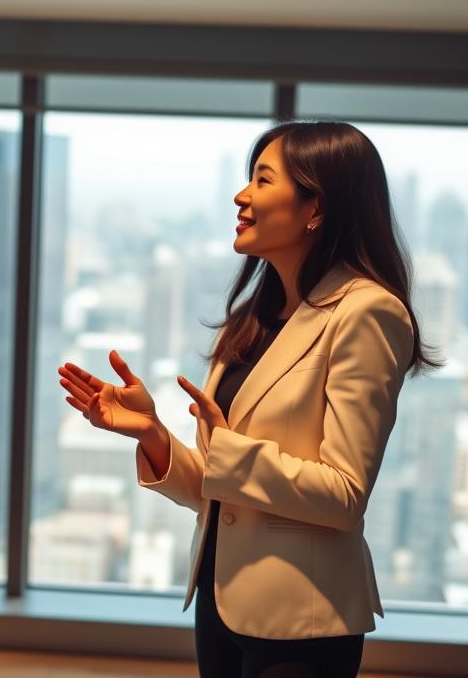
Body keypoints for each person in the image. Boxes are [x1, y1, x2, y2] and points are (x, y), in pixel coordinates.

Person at [59, 121, 436, 678]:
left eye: (262, 180)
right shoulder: (251, 321)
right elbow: (223, 492)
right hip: (221, 603)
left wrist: (230, 452)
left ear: (317, 207)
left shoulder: (367, 312)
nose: (242, 196)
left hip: (301, 624)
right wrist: (153, 435)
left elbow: (344, 494)